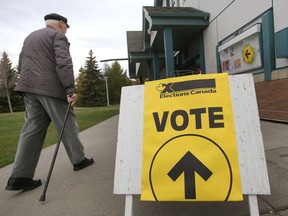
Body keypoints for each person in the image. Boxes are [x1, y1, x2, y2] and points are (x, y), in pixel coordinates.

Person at [5, 13, 94, 191]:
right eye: (66, 27)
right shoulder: (57, 36)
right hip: (50, 88)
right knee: (67, 123)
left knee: (31, 130)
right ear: (61, 24)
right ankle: (79, 160)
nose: (66, 31)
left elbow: (21, 62)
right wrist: (70, 88)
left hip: (29, 88)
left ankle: (19, 177)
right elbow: (63, 62)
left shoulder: (30, 36)